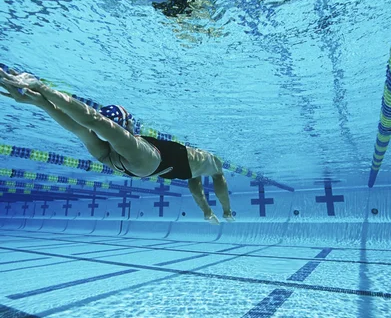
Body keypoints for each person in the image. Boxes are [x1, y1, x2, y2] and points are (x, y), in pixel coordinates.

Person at [0, 68, 234, 224]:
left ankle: (207, 212)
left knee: (193, 179)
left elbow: (79, 126)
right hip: (169, 161)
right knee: (218, 171)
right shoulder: (136, 149)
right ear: (126, 126)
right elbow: (93, 120)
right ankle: (225, 212)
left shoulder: (103, 152)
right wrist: (41, 87)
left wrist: (38, 101)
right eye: (129, 122)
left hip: (162, 169)